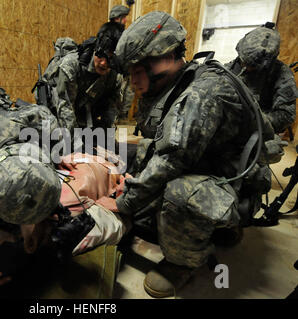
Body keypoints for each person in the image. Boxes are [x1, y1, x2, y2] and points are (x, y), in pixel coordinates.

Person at [96, 11, 280, 298]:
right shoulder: (177, 82)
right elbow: (160, 143)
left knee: (180, 194)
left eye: (136, 71)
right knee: (142, 153)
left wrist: (125, 203)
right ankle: (215, 228)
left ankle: (182, 262)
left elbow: (171, 160)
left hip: (234, 179)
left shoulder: (201, 93)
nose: (132, 82)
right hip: (213, 163)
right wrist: (135, 181)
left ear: (163, 58)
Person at [0, 83, 130, 292]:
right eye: (5, 223)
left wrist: (57, 155)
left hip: (79, 152)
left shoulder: (31, 125)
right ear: (30, 243)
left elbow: (51, 128)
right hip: (110, 163)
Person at [43, 22, 125, 135]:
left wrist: (106, 139)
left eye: (110, 59)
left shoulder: (115, 77)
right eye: (101, 55)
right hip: (57, 117)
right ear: (96, 48)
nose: (103, 63)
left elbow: (112, 111)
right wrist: (76, 144)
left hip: (83, 119)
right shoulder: (71, 65)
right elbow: (65, 108)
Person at [226, 24, 297, 134]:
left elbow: (286, 115)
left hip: (259, 132)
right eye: (244, 62)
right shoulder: (229, 67)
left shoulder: (281, 74)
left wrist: (253, 121)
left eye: (253, 67)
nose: (246, 68)